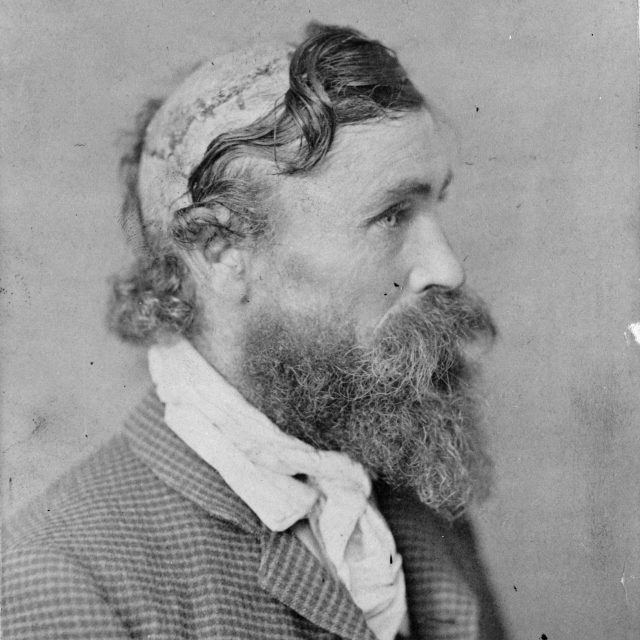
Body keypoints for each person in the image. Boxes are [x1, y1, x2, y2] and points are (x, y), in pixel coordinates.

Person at [2, 23, 507, 640]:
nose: (447, 268)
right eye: (392, 215)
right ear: (221, 253)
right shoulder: (62, 580)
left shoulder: (408, 481)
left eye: (433, 206)